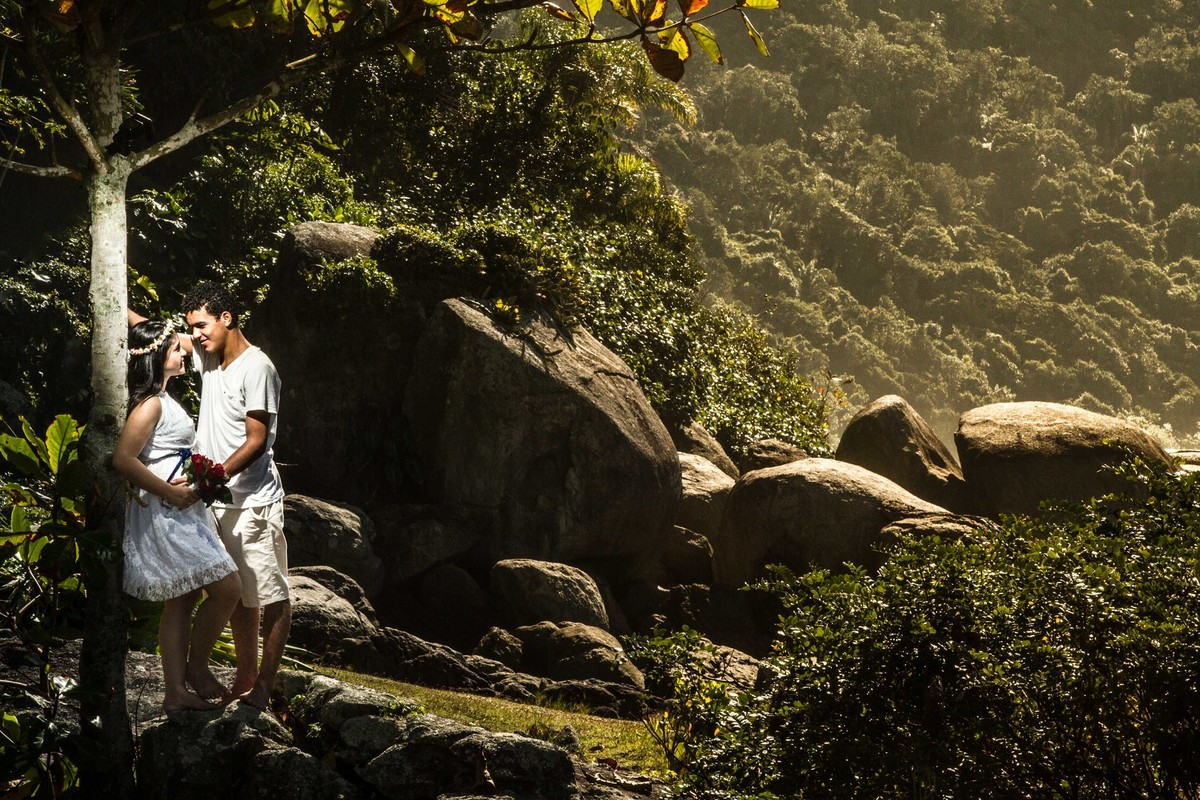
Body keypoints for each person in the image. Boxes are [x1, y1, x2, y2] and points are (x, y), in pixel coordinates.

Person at [113, 319, 242, 712]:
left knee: (183, 599)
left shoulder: (164, 399)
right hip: (166, 509)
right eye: (174, 348)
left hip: (183, 507)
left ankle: (175, 692)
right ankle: (195, 670)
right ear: (155, 357)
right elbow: (123, 459)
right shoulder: (151, 404)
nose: (184, 351)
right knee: (228, 588)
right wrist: (169, 491)